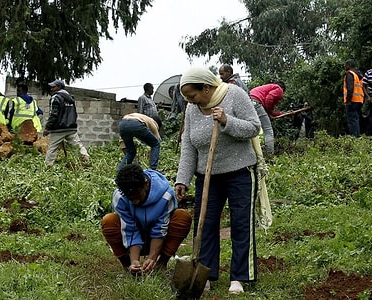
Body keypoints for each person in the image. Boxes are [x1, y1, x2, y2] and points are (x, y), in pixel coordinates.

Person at [174, 66, 261, 294]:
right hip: (207, 176)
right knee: (205, 224)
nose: (190, 102)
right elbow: (188, 146)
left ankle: (239, 277)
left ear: (206, 87)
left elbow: (254, 128)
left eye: (192, 96)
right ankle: (206, 273)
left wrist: (226, 121)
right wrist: (182, 179)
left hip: (239, 172)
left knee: (241, 224)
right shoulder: (193, 109)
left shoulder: (234, 95)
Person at [101, 164, 192, 273]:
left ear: (146, 183)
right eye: (131, 199)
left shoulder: (166, 195)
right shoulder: (120, 197)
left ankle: (161, 264)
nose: (135, 202)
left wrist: (152, 258)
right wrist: (134, 260)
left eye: (138, 197)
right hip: (132, 242)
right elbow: (130, 229)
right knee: (109, 221)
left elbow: (160, 229)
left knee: (182, 217)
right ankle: (129, 266)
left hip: (159, 240)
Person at [43, 80, 89, 166]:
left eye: (54, 87)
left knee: (52, 148)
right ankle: (86, 160)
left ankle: (48, 167)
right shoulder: (70, 98)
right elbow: (74, 113)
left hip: (59, 128)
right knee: (77, 145)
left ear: (59, 87)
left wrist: (47, 127)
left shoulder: (56, 97)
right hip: (71, 127)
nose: (51, 88)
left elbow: (53, 114)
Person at [249, 82, 285, 155]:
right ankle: (269, 155)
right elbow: (269, 99)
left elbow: (269, 109)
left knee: (251, 128)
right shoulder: (279, 89)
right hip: (256, 102)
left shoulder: (267, 88)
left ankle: (252, 153)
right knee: (268, 130)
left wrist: (279, 113)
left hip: (249, 101)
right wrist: (268, 112)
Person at [343, 59, 366, 137]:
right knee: (356, 119)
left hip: (352, 100)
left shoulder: (350, 74)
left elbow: (350, 88)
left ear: (349, 65)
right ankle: (357, 136)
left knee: (352, 120)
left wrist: (348, 100)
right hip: (359, 100)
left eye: (346, 65)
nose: (345, 67)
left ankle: (354, 137)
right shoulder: (358, 75)